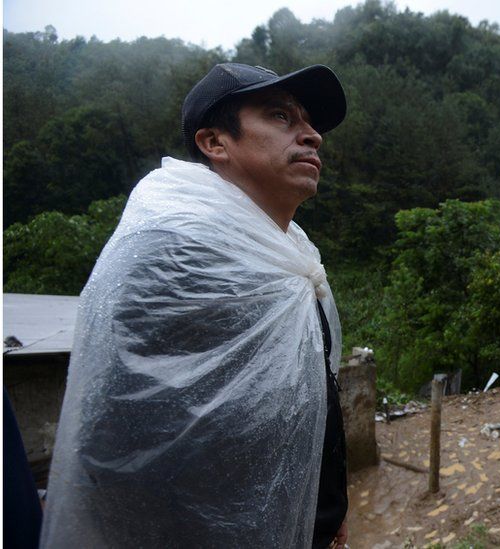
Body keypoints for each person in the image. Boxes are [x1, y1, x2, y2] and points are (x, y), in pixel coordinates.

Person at [39, 63, 349, 548]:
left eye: (310, 124)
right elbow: (118, 437)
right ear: (215, 143)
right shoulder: (171, 251)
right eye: (281, 117)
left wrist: (329, 510)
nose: (313, 137)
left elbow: (313, 397)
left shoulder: (293, 256)